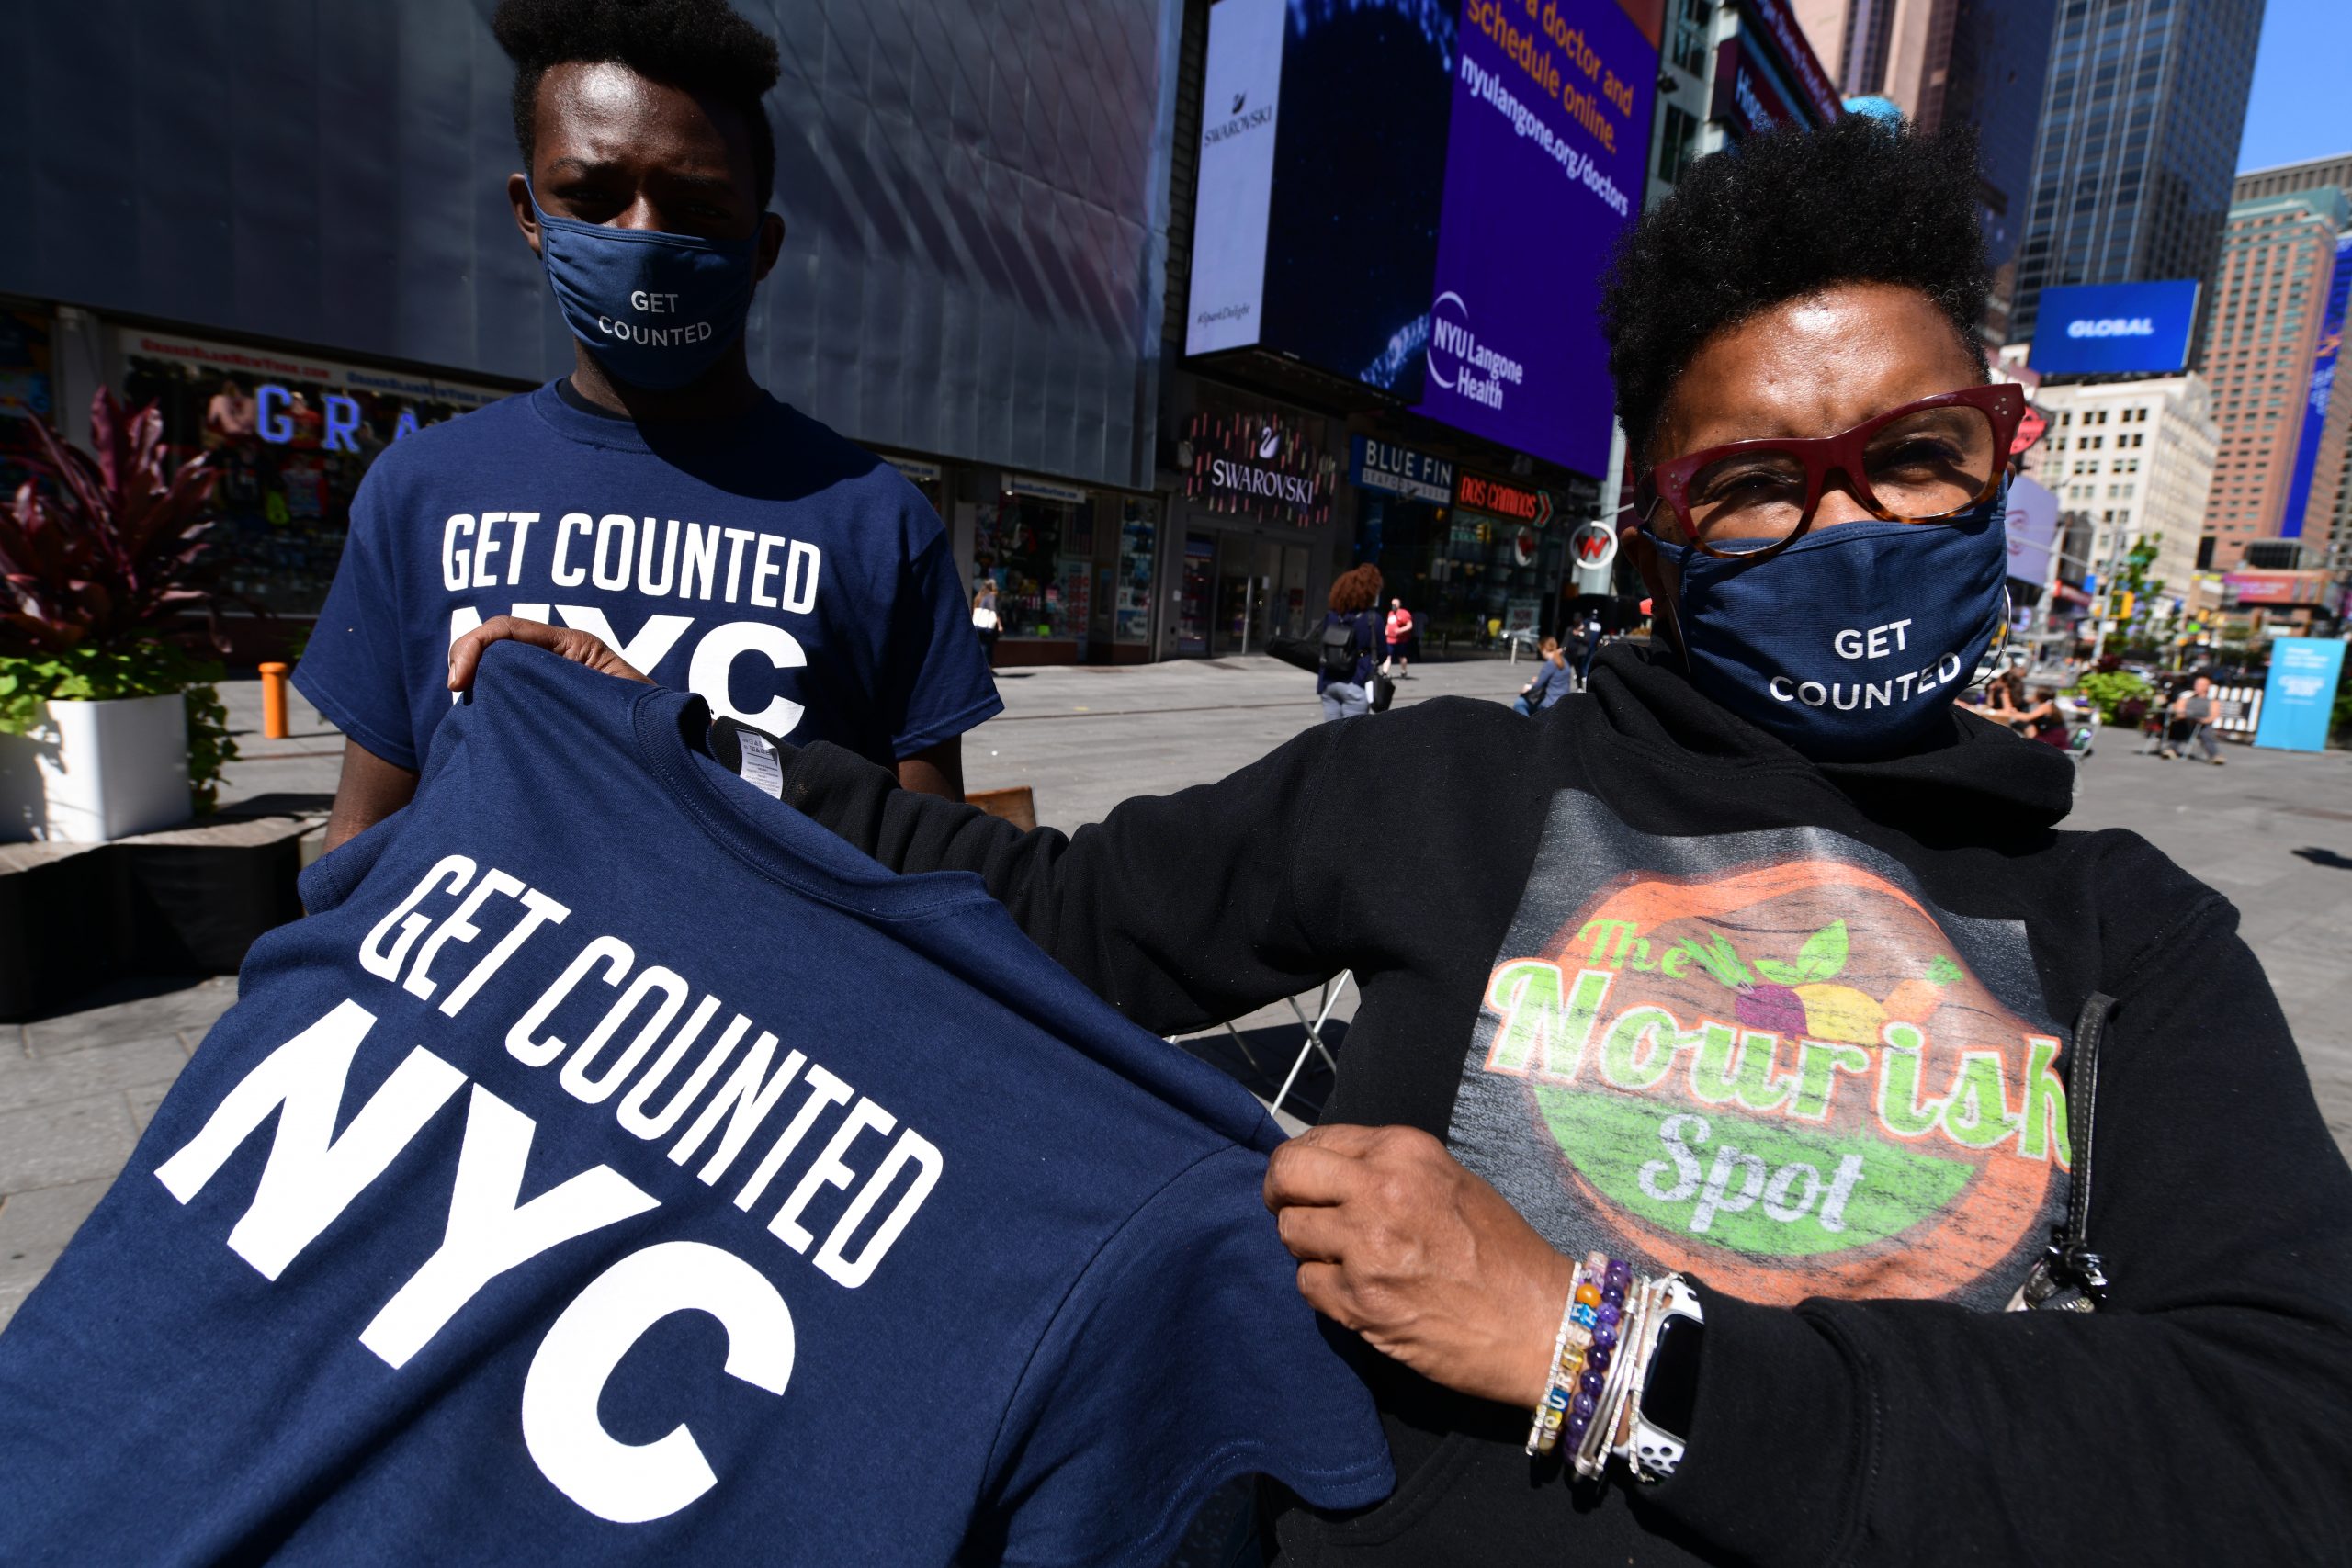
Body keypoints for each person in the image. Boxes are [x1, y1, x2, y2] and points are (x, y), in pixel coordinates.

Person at [451, 118, 2352, 1565]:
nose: (1846, 531)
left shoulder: (2132, 938)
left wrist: (1599, 1345)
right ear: (1655, 525)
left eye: (1912, 458)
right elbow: (1043, 916)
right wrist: (681, 750)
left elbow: (2285, 1442)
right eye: (1758, 488)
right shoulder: (1447, 789)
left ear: (2001, 457)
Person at [295, 0, 999, 857]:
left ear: (764, 245)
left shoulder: (877, 521)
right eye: (592, 197)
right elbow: (359, 838)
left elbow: (929, 861)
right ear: (529, 213)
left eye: (696, 207)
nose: (643, 239)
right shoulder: (418, 491)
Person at [1317, 565, 1384, 722]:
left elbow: (1322, 645)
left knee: (1331, 733)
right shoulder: (1373, 619)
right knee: (1352, 735)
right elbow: (1382, 654)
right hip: (1356, 683)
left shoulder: (1331, 617)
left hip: (1329, 682)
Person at [2161, 673, 2225, 763]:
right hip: (2185, 722)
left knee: (2206, 731)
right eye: (2197, 684)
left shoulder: (2212, 701)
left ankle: (2215, 756)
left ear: (2207, 687)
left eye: (2201, 684)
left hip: (2201, 724)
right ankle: (2171, 750)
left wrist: (2203, 720)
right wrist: (2184, 716)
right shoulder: (2186, 698)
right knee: (2180, 725)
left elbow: (2213, 715)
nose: (2197, 686)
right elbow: (2179, 711)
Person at [1512, 637, 1569, 716]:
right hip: (1563, 702)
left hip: (1549, 703)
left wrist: (1526, 690)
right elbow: (1555, 680)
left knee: (1519, 703)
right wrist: (1539, 679)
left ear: (1544, 649)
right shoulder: (1564, 661)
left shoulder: (1550, 663)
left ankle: (1528, 723)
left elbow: (1537, 686)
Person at [1384, 597, 1415, 677]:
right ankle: (1385, 672)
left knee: (1402, 656)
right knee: (1388, 656)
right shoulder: (1390, 613)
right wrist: (1386, 630)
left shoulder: (1404, 613)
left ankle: (1404, 671)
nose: (1393, 605)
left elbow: (1410, 625)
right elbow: (1388, 623)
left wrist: (1400, 630)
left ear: (1399, 605)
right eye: (1392, 604)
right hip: (1390, 640)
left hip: (1401, 640)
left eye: (1395, 604)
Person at [970, 585, 1000, 662]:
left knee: (980, 644)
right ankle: (987, 664)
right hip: (987, 625)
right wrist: (999, 624)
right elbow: (994, 609)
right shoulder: (989, 598)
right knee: (987, 645)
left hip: (978, 625)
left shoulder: (977, 598)